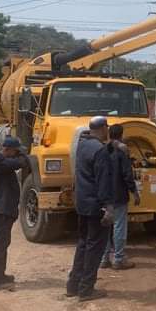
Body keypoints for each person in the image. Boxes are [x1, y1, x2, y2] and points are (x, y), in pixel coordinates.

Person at [66, 115, 114, 301]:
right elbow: (103, 182)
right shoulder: (100, 151)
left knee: (83, 244)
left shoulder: (83, 145)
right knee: (95, 248)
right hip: (96, 206)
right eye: (107, 128)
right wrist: (108, 208)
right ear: (103, 128)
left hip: (82, 203)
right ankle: (86, 290)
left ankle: (73, 285)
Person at [0, 136, 29, 291]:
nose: (16, 154)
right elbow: (21, 163)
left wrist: (19, 153)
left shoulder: (3, 161)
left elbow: (16, 162)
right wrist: (23, 154)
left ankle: (0, 275)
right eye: (15, 151)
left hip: (5, 209)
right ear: (8, 150)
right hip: (0, 210)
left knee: (3, 244)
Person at [101, 123, 141, 270]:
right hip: (118, 195)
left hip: (104, 196)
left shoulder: (102, 150)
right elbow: (127, 174)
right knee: (119, 226)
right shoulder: (122, 151)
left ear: (109, 134)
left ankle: (103, 259)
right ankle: (118, 259)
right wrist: (135, 192)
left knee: (105, 227)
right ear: (121, 134)